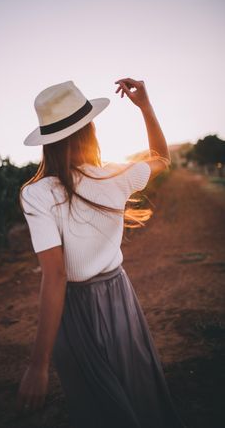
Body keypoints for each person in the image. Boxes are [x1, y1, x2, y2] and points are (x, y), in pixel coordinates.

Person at [16, 78, 188, 428]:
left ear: (47, 140)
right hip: (120, 298)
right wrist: (145, 106)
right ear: (90, 130)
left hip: (75, 310)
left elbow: (56, 275)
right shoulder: (116, 175)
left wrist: (38, 364)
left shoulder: (36, 194)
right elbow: (162, 159)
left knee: (95, 407)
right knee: (139, 392)